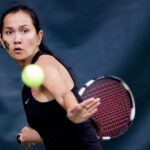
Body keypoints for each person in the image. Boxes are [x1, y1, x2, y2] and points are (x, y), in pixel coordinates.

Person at [0, 5, 103, 150]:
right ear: (1, 40)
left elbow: (63, 94)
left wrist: (72, 108)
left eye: (25, 31)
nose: (17, 39)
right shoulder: (28, 84)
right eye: (9, 32)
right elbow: (58, 131)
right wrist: (30, 136)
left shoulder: (44, 66)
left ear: (38, 37)